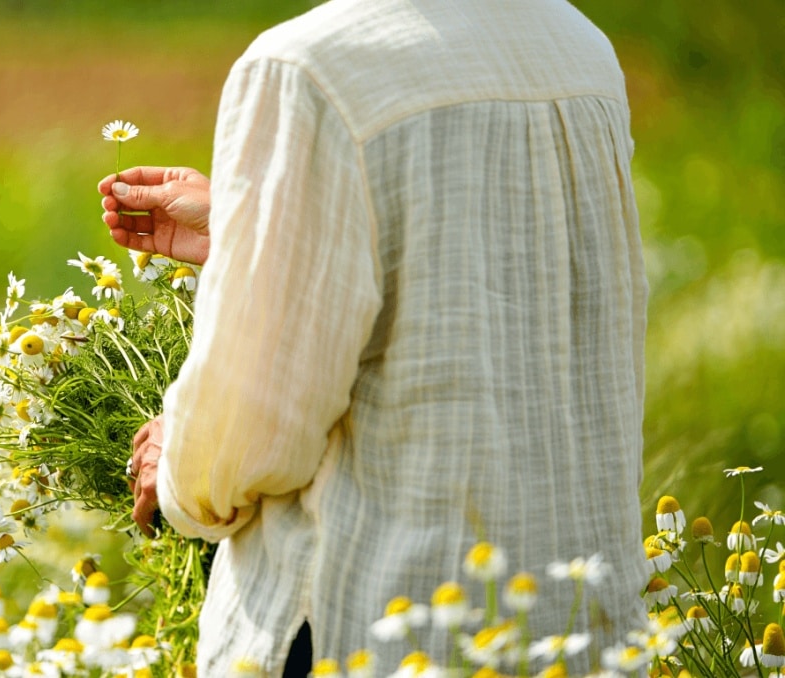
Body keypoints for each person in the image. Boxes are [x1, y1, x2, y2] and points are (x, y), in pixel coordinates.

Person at [99, 0, 648, 675]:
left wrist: (177, 465)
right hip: (571, 630)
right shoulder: (580, 49)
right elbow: (482, 278)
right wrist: (261, 231)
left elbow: (252, 434)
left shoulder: (311, 68)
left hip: (376, 627)